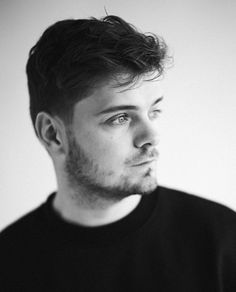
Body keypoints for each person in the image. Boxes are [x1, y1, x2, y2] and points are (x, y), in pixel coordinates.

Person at [0, 15, 235, 291]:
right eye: (120, 118)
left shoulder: (220, 239)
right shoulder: (9, 263)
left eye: (154, 112)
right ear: (53, 134)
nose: (152, 137)